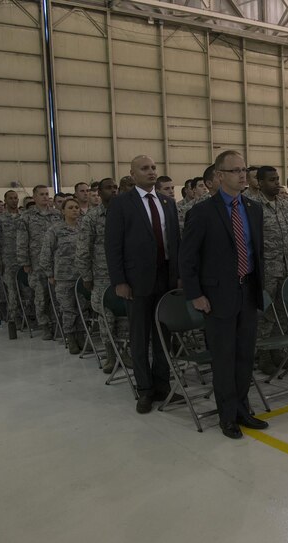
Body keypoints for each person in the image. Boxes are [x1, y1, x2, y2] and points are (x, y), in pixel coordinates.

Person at [180, 150, 267, 439]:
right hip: (217, 297)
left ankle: (243, 410)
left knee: (245, 356)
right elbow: (187, 257)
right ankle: (227, 416)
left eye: (244, 169)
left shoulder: (254, 208)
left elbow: (257, 252)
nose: (243, 175)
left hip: (248, 291)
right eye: (235, 171)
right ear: (219, 176)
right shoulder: (202, 211)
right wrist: (195, 294)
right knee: (224, 358)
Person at [105, 155, 180, 414]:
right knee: (140, 337)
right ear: (132, 173)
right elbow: (113, 246)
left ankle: (163, 385)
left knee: (164, 336)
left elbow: (175, 243)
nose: (151, 172)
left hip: (165, 278)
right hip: (136, 281)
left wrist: (178, 275)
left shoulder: (168, 203)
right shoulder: (121, 204)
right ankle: (144, 390)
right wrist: (120, 281)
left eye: (153, 168)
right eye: (145, 168)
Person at [249, 166, 288, 375]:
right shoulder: (252, 206)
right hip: (267, 269)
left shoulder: (285, 204)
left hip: (287, 266)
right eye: (271, 180)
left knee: (283, 312)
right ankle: (263, 355)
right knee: (265, 316)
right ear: (259, 183)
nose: (276, 183)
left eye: (277, 179)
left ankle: (278, 350)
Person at [77, 177, 126, 372]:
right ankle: (111, 355)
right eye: (108, 188)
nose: (113, 191)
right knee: (106, 316)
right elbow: (83, 249)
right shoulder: (92, 217)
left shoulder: (125, 213)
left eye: (115, 188)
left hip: (123, 274)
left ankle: (124, 351)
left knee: (124, 316)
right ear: (99, 192)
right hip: (102, 275)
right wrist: (87, 276)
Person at [17, 185, 61, 337]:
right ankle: (44, 325)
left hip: (55, 262)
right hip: (36, 263)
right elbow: (22, 241)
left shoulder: (56, 215)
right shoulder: (26, 217)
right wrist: (25, 262)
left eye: (47, 194)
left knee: (57, 295)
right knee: (41, 296)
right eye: (41, 194)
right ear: (34, 197)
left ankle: (57, 323)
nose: (45, 197)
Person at [40, 198, 83, 354]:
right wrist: (50, 274)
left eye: (77, 207)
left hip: (81, 276)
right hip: (64, 277)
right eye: (70, 207)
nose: (74, 210)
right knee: (68, 310)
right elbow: (45, 254)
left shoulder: (83, 228)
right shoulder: (55, 230)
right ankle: (70, 338)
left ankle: (82, 338)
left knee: (82, 309)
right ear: (63, 211)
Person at [0, 190, 23, 338]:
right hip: (8, 261)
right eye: (11, 198)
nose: (14, 200)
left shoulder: (24, 217)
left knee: (27, 291)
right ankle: (13, 319)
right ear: (5, 200)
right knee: (12, 293)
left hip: (24, 260)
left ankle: (27, 317)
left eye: (16, 198)